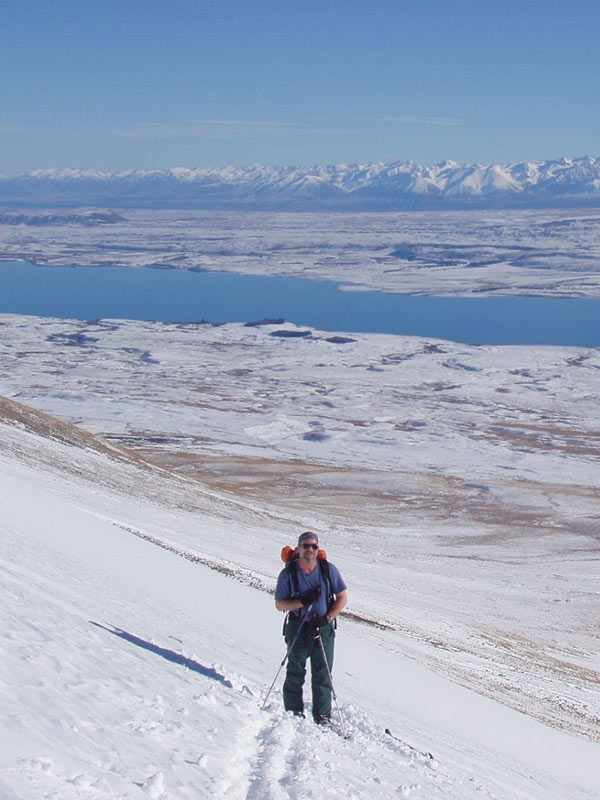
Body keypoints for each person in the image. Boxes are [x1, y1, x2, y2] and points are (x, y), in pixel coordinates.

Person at [275, 531, 348, 724]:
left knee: (323, 672)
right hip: (299, 626)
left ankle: (322, 716)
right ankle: (293, 711)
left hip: (323, 628)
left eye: (314, 546)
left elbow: (342, 597)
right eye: (306, 546)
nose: (310, 550)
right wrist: (302, 602)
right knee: (295, 670)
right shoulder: (288, 574)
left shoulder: (328, 570)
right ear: (298, 548)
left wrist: (328, 617)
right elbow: (280, 604)